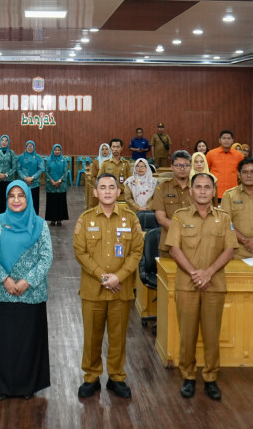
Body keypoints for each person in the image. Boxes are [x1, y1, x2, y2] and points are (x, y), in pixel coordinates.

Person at [73, 173, 144, 400]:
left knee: (118, 336)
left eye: (111, 187)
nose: (106, 191)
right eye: (102, 187)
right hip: (93, 290)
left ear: (118, 191)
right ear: (95, 192)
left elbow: (136, 252)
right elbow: (80, 252)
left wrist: (119, 277)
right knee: (92, 337)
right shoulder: (85, 219)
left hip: (120, 290)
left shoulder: (130, 218)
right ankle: (91, 377)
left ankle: (116, 377)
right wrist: (103, 276)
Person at [167, 173, 236, 401]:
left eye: (208, 187)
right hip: (187, 285)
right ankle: (188, 376)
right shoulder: (179, 217)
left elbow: (229, 250)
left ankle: (210, 378)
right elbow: (174, 249)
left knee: (211, 334)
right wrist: (195, 274)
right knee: (187, 335)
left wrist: (208, 272)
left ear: (214, 191)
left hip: (214, 284)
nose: (203, 191)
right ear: (192, 191)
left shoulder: (224, 218)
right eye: (199, 187)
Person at [0, 181, 53, 399]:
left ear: (28, 198)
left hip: (31, 294)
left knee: (28, 342)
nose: (15, 200)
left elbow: (46, 257)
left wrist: (26, 282)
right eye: (11, 196)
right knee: (4, 341)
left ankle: (27, 386)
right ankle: (4, 386)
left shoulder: (40, 225)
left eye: (20, 196)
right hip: (3, 292)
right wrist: (5, 280)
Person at [150, 150, 194, 255]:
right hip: (169, 245)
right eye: (178, 165)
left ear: (191, 167)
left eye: (186, 165)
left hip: (195, 245)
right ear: (171, 167)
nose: (182, 168)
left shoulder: (198, 188)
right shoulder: (162, 188)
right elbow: (161, 219)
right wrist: (185, 231)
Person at [206, 131, 242, 200]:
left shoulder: (238, 155)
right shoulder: (211, 154)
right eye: (224, 138)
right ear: (219, 140)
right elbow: (205, 170)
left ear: (232, 141)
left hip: (232, 192)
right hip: (215, 192)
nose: (226, 140)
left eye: (229, 138)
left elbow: (242, 171)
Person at [0, 134, 18, 218]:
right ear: (0, 141)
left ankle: (7, 216)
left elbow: (14, 167)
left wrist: (6, 174)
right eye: (2, 140)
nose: (4, 142)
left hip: (7, 180)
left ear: (8, 142)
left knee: (6, 199)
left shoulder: (11, 153)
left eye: (6, 141)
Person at [124, 157, 157, 228]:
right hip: (134, 212)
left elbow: (157, 197)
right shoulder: (129, 182)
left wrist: (148, 207)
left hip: (151, 212)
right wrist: (138, 208)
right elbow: (128, 198)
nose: (140, 168)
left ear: (147, 167)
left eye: (142, 166)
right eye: (137, 166)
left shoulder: (154, 182)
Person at [44, 143, 71, 226]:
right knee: (52, 202)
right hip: (51, 185)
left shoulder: (64, 161)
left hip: (61, 185)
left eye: (58, 150)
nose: (57, 151)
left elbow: (65, 172)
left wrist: (59, 181)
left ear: (61, 151)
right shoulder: (49, 160)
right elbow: (46, 172)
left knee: (60, 201)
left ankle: (59, 219)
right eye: (55, 150)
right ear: (53, 150)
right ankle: (52, 219)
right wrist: (52, 181)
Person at [16, 140, 45, 215]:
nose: (30, 147)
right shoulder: (21, 157)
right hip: (23, 184)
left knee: (34, 203)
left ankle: (34, 219)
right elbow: (18, 169)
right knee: (23, 202)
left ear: (34, 147)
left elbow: (41, 169)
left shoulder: (38, 157)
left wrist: (32, 178)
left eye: (31, 146)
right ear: (26, 147)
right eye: (28, 146)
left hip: (34, 184)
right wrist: (25, 178)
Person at [84, 143, 111, 210]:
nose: (104, 151)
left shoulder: (112, 162)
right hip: (98, 186)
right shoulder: (96, 162)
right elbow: (93, 176)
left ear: (109, 150)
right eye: (103, 149)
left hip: (111, 186)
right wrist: (98, 185)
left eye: (106, 149)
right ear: (100, 151)